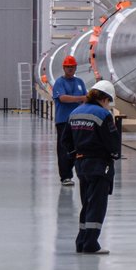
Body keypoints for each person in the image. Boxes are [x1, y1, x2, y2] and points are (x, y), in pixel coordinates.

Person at [67, 79, 122, 255]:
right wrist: (114, 155)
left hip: (81, 164)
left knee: (87, 203)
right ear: (104, 98)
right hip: (99, 164)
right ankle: (91, 244)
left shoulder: (75, 112)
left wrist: (76, 155)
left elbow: (65, 141)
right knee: (97, 205)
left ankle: (81, 241)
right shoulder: (103, 115)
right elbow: (112, 141)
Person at [51, 55, 88, 185]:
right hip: (63, 121)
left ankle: (79, 173)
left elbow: (86, 98)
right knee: (64, 149)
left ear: (76, 67)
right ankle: (65, 176)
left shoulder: (80, 82)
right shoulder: (59, 82)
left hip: (78, 121)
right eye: (67, 67)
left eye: (72, 66)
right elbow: (62, 98)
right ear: (64, 68)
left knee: (78, 147)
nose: (70, 69)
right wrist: (80, 98)